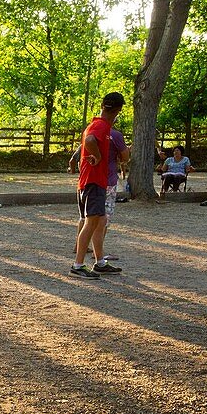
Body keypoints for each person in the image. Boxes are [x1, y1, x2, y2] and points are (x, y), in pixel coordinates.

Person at [71, 92, 126, 279]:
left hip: (92, 180)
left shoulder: (94, 124)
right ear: (118, 110)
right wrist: (100, 156)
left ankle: (99, 262)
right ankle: (78, 265)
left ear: (103, 106)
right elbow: (90, 141)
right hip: (93, 181)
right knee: (92, 221)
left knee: (100, 221)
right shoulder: (102, 126)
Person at [70, 125, 129, 261]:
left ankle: (78, 247)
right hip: (105, 181)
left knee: (85, 217)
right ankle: (97, 255)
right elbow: (125, 158)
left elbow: (73, 160)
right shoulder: (115, 136)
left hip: (85, 182)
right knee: (103, 218)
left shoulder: (88, 134)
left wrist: (74, 171)